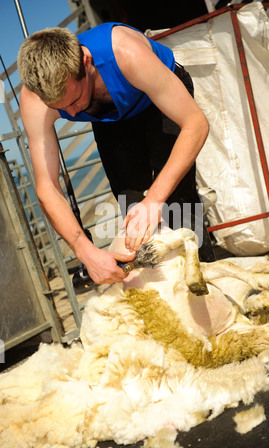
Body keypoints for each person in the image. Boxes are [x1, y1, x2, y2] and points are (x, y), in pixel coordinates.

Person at [17, 23, 215, 286]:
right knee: (133, 208)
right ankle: (164, 296)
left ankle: (210, 293)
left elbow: (196, 124)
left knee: (177, 204)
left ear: (86, 62)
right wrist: (84, 251)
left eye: (74, 100)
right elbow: (47, 188)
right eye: (60, 108)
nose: (73, 114)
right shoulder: (33, 99)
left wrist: (155, 199)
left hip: (159, 100)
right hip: (111, 119)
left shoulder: (125, 52)